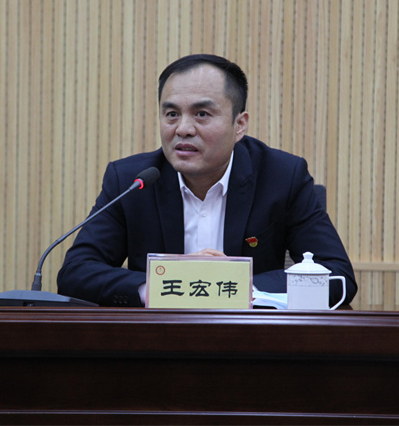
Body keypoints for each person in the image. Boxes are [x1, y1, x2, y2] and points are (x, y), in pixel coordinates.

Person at [57, 54, 357, 307]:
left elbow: (337, 275)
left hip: (251, 342)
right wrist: (159, 286)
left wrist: (238, 285)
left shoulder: (282, 176)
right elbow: (76, 273)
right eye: (171, 114)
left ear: (239, 124)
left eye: (201, 114)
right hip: (157, 343)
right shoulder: (132, 181)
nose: (183, 129)